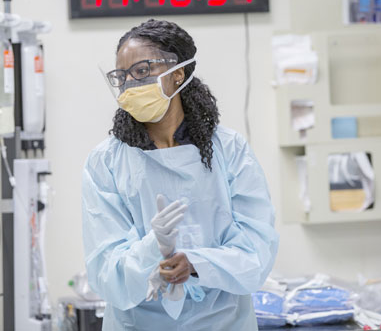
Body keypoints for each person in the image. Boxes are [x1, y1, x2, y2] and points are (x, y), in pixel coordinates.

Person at [82, 19, 279, 331]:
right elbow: (106, 270)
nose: (130, 84)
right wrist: (151, 247)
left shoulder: (229, 150)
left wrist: (197, 264)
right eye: (122, 76)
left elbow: (257, 249)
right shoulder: (105, 162)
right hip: (137, 324)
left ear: (178, 73)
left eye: (142, 71)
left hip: (223, 322)